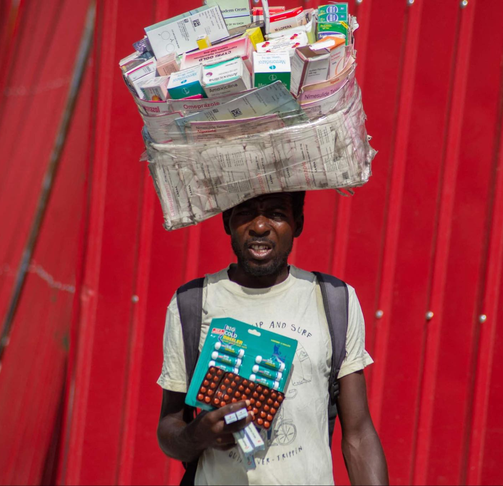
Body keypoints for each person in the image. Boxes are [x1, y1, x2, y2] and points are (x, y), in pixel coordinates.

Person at [157, 191, 388, 485]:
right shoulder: (192, 303)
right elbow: (169, 430)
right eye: (245, 212)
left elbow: (358, 435)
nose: (260, 226)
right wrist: (199, 434)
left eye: (277, 214)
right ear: (227, 220)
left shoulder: (333, 299)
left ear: (298, 223)